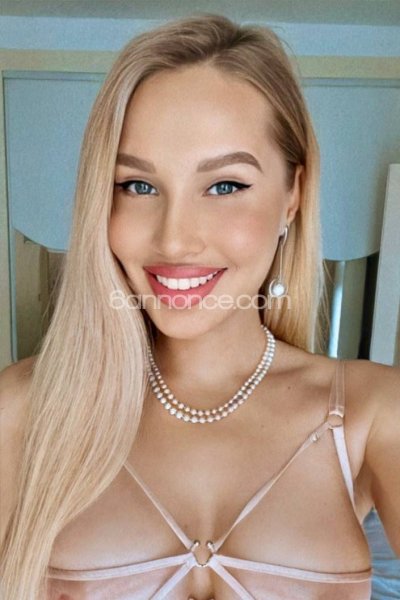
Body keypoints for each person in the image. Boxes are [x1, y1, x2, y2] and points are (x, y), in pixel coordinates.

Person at [0, 13, 399, 600]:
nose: (175, 239)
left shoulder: (373, 413)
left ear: (292, 195)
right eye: (138, 186)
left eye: (224, 186)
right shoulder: (21, 412)